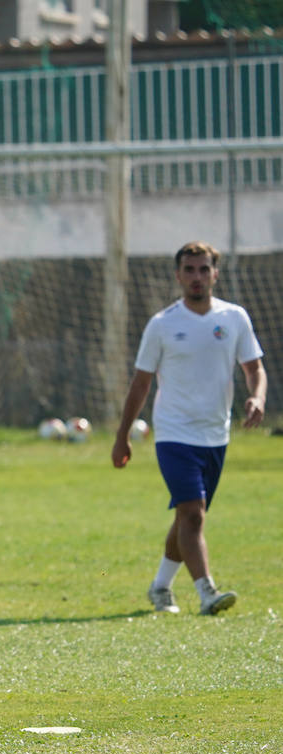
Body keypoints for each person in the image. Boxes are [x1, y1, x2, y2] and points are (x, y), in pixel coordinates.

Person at [112, 241, 266, 616]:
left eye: (203, 269)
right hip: (174, 434)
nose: (197, 277)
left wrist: (257, 397)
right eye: (189, 270)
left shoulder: (234, 318)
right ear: (178, 275)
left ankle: (160, 587)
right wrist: (122, 436)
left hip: (216, 434)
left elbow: (254, 369)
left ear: (215, 274)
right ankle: (206, 592)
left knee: (187, 516)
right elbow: (141, 383)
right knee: (194, 514)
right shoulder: (162, 324)